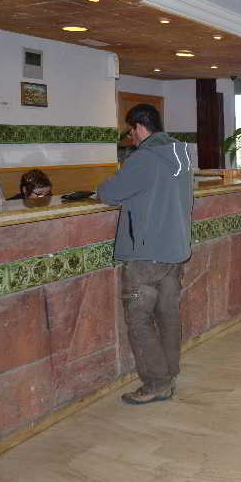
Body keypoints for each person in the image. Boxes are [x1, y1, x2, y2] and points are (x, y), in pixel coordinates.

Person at [97, 104, 194, 405]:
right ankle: (169, 374)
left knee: (139, 320)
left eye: (131, 131)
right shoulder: (181, 153)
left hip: (146, 253)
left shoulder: (144, 158)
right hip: (174, 251)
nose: (131, 137)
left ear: (139, 127)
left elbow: (108, 193)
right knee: (168, 317)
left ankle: (156, 383)